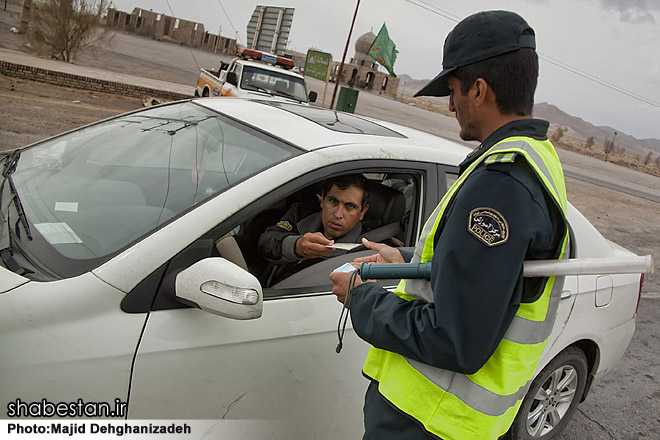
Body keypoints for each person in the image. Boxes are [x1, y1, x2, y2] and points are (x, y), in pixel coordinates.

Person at [330, 10, 569, 440]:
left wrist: (361, 299)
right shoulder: (536, 156)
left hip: (428, 422)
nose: (450, 103)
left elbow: (455, 338)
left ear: (479, 90)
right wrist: (407, 260)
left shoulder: (501, 183)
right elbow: (488, 276)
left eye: (454, 90)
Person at [258, 174, 370, 284]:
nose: (338, 214)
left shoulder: (367, 249)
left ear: (363, 211)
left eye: (350, 206)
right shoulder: (300, 214)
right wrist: (296, 246)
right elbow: (265, 242)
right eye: (333, 201)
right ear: (323, 200)